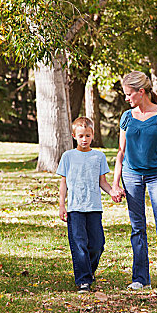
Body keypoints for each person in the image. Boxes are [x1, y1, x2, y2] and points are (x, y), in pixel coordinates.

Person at [111, 70, 157, 294]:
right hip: (131, 176)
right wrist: (115, 183)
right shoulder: (127, 117)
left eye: (129, 94)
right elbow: (121, 152)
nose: (126, 98)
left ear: (141, 92)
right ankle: (140, 278)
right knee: (137, 227)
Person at [57, 116, 114, 293]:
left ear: (93, 135)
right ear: (74, 135)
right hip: (75, 209)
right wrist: (61, 205)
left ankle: (87, 271)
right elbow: (63, 183)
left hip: (94, 208)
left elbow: (102, 182)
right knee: (79, 244)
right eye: (81, 136)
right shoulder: (68, 156)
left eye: (87, 136)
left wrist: (112, 191)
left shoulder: (99, 156)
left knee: (97, 245)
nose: (84, 139)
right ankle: (83, 280)